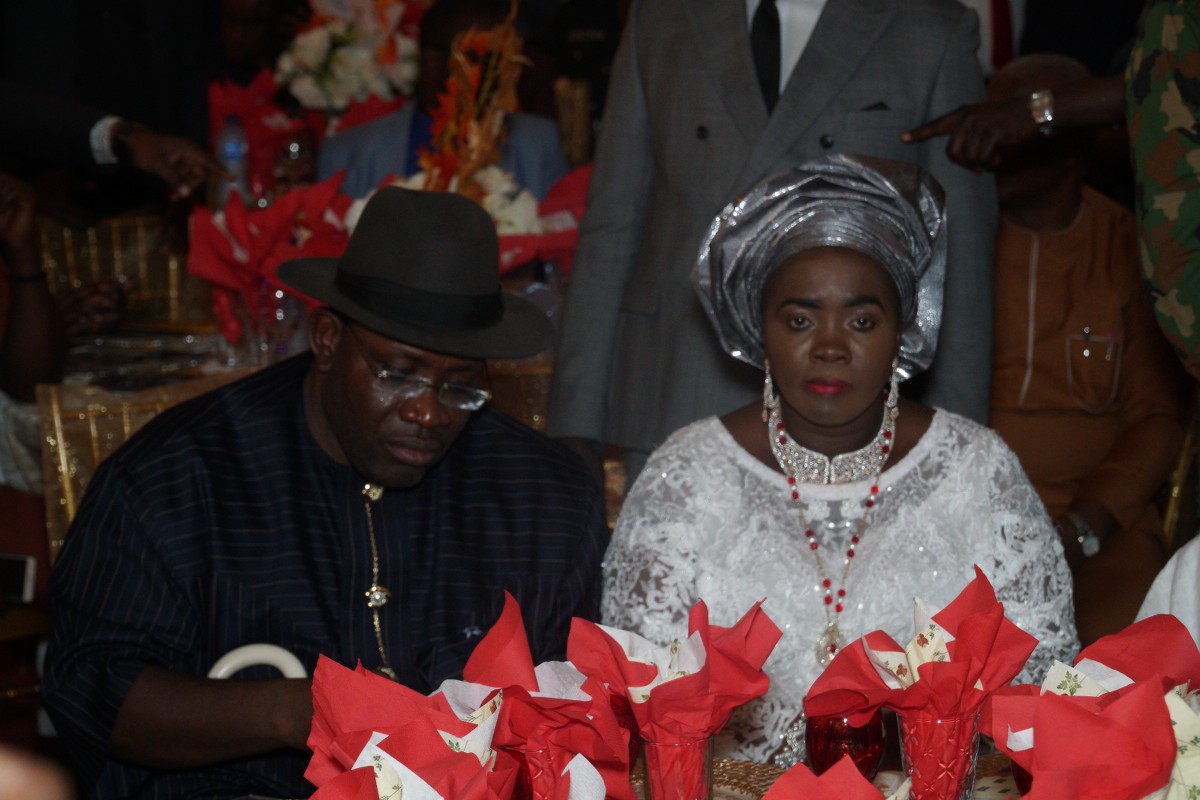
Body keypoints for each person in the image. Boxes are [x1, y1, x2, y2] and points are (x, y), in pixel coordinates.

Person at [42, 187, 611, 799]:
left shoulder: (543, 494)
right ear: (328, 340)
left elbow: (578, 706)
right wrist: (293, 711)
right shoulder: (179, 477)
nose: (427, 412)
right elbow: (91, 689)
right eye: (397, 373)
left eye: (460, 386)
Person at [602, 155, 1078, 766]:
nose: (830, 346)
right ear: (760, 329)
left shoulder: (976, 470)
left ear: (902, 331)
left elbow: (1042, 681)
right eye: (800, 319)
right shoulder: (687, 474)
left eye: (861, 320)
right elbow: (642, 697)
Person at [546, 0, 999, 484]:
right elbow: (613, 227)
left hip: (857, 418)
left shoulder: (926, 30)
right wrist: (574, 422)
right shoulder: (663, 17)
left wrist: (954, 447)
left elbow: (961, 263)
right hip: (678, 387)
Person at [986, 54, 1191, 646]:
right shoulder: (954, 241)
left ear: (1076, 143)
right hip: (968, 519)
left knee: (1120, 658)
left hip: (1099, 528)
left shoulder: (1132, 248)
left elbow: (1156, 418)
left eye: (1014, 127)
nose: (993, 147)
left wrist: (1082, 528)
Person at [316, 0, 569, 200]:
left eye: (501, 60)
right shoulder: (346, 154)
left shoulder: (538, 144)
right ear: (434, 61)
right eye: (478, 59)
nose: (496, 73)